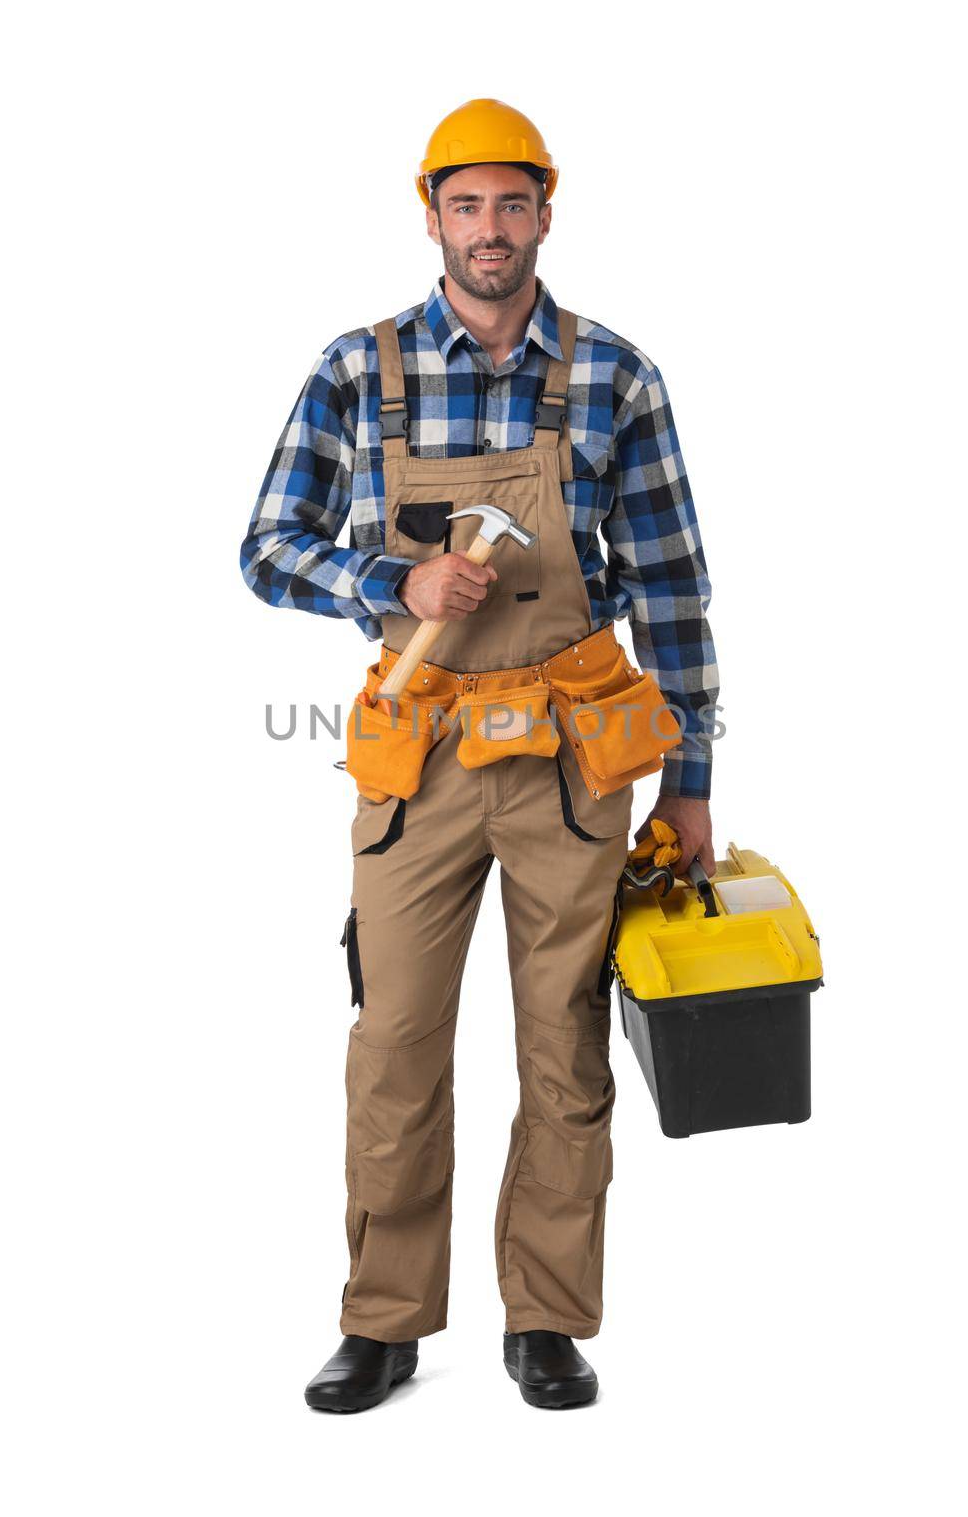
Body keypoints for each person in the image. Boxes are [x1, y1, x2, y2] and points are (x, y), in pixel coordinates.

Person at [239, 98, 720, 1411]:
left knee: (563, 1049)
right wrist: (390, 579)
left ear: (545, 213)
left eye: (513, 204)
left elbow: (673, 588)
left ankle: (544, 1321)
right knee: (394, 1044)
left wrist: (690, 787)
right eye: (467, 205)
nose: (490, 229)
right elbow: (265, 550)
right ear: (431, 213)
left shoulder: (613, 376)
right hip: (422, 769)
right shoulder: (360, 370)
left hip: (572, 765)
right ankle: (385, 1321)